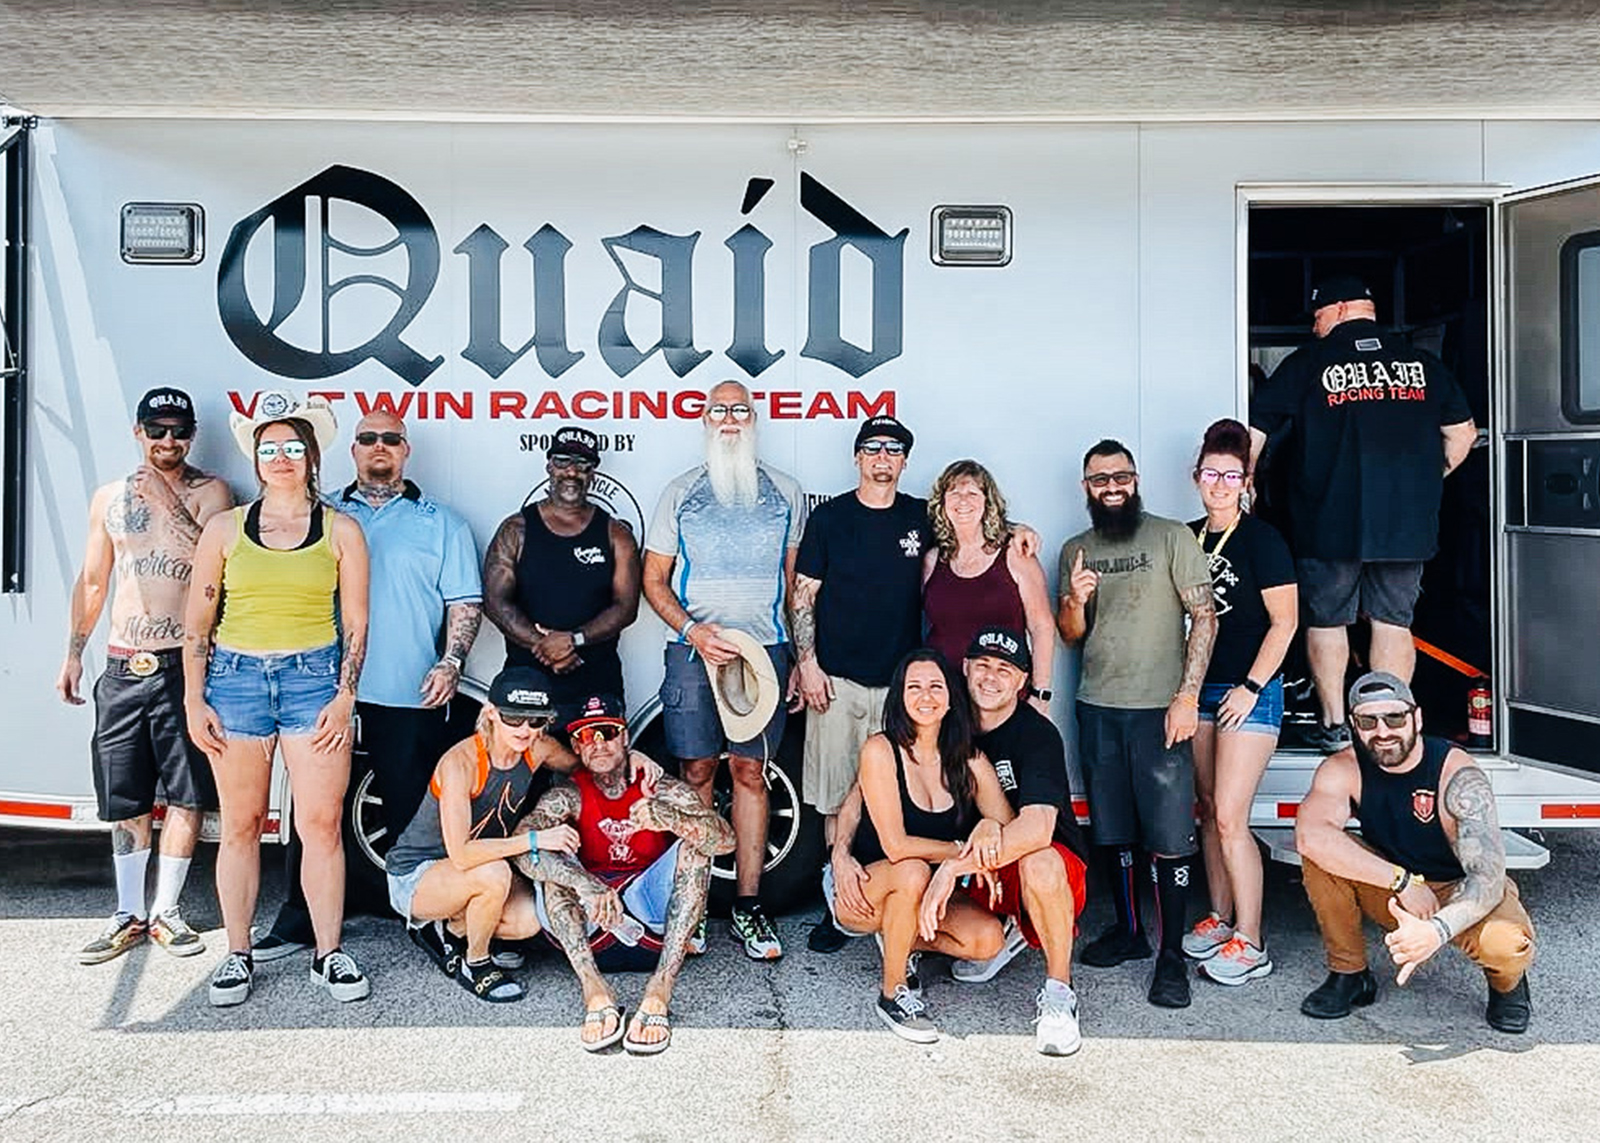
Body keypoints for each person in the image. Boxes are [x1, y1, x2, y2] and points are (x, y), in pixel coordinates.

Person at [254, 408, 483, 962]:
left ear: (406, 451)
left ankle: (422, 917)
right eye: (367, 439)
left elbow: (465, 602)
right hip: (320, 689)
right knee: (310, 815)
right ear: (351, 451)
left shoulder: (441, 522)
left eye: (392, 439)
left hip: (407, 690)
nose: (379, 447)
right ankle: (299, 918)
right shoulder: (320, 513)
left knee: (408, 813)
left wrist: (451, 661)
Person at [183, 393, 371, 1007]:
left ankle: (328, 953)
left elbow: (358, 622)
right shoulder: (225, 529)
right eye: (270, 449)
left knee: (319, 824)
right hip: (234, 681)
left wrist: (345, 696)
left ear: (312, 457)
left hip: (314, 679)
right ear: (257, 460)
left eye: (293, 448)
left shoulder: (342, 530)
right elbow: (198, 623)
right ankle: (237, 954)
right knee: (239, 825)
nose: (281, 458)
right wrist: (195, 699)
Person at [1249, 274, 1477, 751]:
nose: (1314, 327)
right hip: (1405, 527)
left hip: (1327, 522)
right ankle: (1389, 724)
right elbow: (1463, 435)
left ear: (1337, 310)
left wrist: (1244, 480)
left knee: (1328, 621)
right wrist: (1421, 486)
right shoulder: (1423, 365)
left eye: (1316, 316)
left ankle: (1335, 725)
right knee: (1393, 622)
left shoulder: (1309, 363)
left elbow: (1256, 430)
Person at [56, 387, 233, 965]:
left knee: (186, 793)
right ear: (138, 432)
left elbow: (207, 555)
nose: (167, 441)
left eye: (178, 430)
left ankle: (168, 912)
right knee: (126, 794)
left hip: (182, 660)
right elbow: (92, 581)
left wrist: (161, 492)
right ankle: (127, 912)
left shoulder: (212, 493)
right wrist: (73, 651)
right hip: (122, 659)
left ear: (192, 435)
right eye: (156, 430)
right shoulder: (109, 497)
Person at [641, 380, 805, 960]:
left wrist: (800, 657)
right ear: (705, 421)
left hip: (765, 652)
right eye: (719, 410)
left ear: (754, 420)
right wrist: (692, 631)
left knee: (750, 772)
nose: (729, 419)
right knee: (696, 772)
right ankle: (696, 902)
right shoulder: (680, 492)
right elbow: (652, 580)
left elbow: (793, 589)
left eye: (740, 410)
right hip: (693, 653)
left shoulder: (787, 492)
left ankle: (749, 906)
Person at [1056, 438, 1217, 1008]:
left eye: (1121, 476)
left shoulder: (1171, 537)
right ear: (1087, 488)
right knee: (1114, 831)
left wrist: (1187, 696)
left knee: (1170, 837)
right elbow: (1070, 634)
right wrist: (1074, 600)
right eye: (1101, 479)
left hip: (1160, 711)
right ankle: (1129, 933)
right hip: (1098, 706)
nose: (1113, 487)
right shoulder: (1077, 549)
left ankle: (1171, 953)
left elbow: (1204, 616)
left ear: (1136, 478)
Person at [1295, 672, 1534, 1033]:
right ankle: (1349, 974)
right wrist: (1403, 881)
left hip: (1461, 889)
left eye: (1395, 718)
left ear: (1416, 718)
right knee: (1321, 855)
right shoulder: (1343, 769)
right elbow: (1311, 836)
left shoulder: (1456, 772)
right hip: (1398, 886)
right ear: (1354, 726)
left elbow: (1488, 877)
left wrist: (1436, 931)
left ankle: (1508, 987)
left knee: (1506, 944)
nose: (1383, 731)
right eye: (1368, 721)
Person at [510, 693, 735, 1053]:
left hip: (651, 919)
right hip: (590, 925)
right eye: (586, 736)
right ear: (576, 746)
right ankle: (594, 992)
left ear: (625, 736)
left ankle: (659, 992)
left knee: (697, 846)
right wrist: (587, 884)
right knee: (548, 856)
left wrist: (671, 818)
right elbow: (523, 847)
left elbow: (725, 841)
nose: (597, 743)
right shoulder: (568, 795)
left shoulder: (659, 787)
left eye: (607, 731)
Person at [916, 627, 1091, 1055]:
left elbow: (1037, 829)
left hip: (1035, 867)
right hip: (974, 861)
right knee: (913, 885)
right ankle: (987, 932)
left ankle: (1058, 994)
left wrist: (956, 868)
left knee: (1041, 862)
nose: (991, 677)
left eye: (1004, 669)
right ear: (965, 668)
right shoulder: (946, 723)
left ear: (1021, 681)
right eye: (983, 665)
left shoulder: (1037, 734)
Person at [825, 648, 1015, 1044]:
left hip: (926, 891)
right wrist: (965, 850)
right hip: (862, 888)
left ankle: (900, 935)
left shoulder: (970, 760)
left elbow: (1006, 825)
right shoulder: (881, 750)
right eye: (914, 687)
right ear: (900, 696)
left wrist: (989, 828)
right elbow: (895, 846)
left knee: (988, 940)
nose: (925, 696)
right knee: (911, 869)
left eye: (935, 687)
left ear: (950, 698)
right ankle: (893, 993)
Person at [791, 415, 928, 951]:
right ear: (857, 457)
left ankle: (890, 900)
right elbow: (805, 594)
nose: (882, 457)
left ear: (903, 461)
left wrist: (1018, 534)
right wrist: (808, 663)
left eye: (893, 449)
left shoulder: (921, 517)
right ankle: (839, 904)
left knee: (895, 802)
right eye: (872, 448)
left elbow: (975, 530)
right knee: (835, 802)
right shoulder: (830, 520)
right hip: (838, 682)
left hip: (901, 691)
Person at [1180, 420, 1298, 985]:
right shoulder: (1186, 536)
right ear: (1195, 477)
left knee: (1231, 815)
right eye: (1211, 474)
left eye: (1231, 475)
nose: (1220, 484)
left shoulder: (1262, 540)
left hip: (1248, 693)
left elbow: (1285, 623)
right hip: (1198, 690)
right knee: (1206, 810)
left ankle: (1252, 939)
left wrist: (1250, 688)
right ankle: (1219, 917)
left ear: (1245, 481)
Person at [383, 667, 568, 1003]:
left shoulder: (538, 748)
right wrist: (534, 840)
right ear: (491, 714)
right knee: (494, 873)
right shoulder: (462, 762)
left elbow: (586, 765)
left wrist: (633, 759)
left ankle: (445, 930)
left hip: (476, 870)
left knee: (528, 921)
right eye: (513, 718)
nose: (524, 730)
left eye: (535, 720)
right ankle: (476, 963)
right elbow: (462, 855)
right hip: (419, 874)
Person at [484, 425, 641, 728]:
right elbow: (495, 601)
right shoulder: (516, 530)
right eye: (562, 461)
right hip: (526, 680)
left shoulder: (616, 534)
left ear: (592, 472)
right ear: (548, 466)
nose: (571, 471)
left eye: (582, 464)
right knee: (526, 771)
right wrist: (542, 645)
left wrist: (573, 640)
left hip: (597, 681)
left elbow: (626, 606)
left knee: (599, 772)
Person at [922, 460, 1055, 716]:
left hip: (1002, 698)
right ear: (942, 502)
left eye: (972, 493)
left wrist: (1041, 693)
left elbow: (1042, 626)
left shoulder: (1015, 553)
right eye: (954, 493)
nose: (963, 501)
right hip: (947, 701)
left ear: (987, 502)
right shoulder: (932, 560)